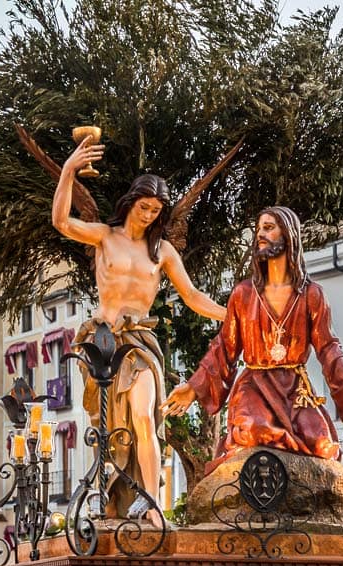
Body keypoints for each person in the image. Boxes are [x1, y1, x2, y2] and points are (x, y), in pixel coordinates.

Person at [53, 138, 226, 520]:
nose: (149, 215)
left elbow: (193, 295)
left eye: (156, 210)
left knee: (145, 415)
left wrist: (231, 315)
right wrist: (68, 170)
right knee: (112, 426)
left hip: (141, 342)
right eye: (145, 207)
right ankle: (109, 495)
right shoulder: (104, 236)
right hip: (102, 342)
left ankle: (151, 503)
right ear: (131, 203)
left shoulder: (161, 251)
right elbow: (62, 222)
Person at [162, 206, 343, 471]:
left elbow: (328, 348)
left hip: (295, 389)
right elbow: (224, 347)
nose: (260, 234)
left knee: (322, 445)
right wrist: (193, 388)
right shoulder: (243, 294)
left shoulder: (311, 295)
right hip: (254, 386)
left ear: (289, 234)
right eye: (259, 228)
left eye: (268, 227)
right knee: (255, 431)